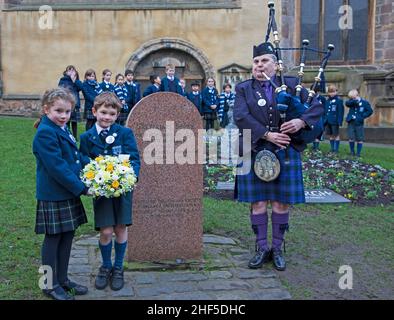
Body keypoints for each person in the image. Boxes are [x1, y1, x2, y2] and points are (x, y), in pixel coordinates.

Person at [233, 42, 324, 271]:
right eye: (255, 61)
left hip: (286, 151)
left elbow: (316, 107)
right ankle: (261, 247)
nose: (259, 65)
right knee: (258, 202)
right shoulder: (243, 89)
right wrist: (267, 134)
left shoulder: (293, 85)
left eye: (264, 61)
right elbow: (241, 117)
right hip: (255, 148)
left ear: (275, 64)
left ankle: (277, 248)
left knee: (282, 203)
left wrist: (301, 121)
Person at [33, 87, 91, 300]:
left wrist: (95, 167)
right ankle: (48, 284)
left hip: (67, 193)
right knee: (53, 239)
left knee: (67, 236)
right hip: (54, 194)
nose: (64, 116)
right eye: (59, 111)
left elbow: (74, 157)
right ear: (46, 109)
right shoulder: (45, 132)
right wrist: (82, 187)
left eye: (67, 112)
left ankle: (63, 280)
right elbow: (58, 167)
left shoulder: (62, 127)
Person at [80, 92, 140, 291]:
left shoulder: (125, 133)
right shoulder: (87, 137)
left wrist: (131, 177)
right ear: (94, 111)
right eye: (103, 112)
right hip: (102, 190)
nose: (107, 117)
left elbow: (134, 159)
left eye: (112, 114)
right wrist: (91, 175)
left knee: (121, 228)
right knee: (106, 230)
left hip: (122, 189)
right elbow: (83, 159)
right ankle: (105, 266)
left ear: (117, 115)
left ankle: (118, 267)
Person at [345, 89, 373, 157]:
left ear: (357, 95)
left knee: (359, 138)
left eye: (353, 97)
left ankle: (358, 153)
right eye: (351, 98)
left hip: (359, 122)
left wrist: (362, 116)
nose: (352, 99)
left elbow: (370, 111)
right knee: (351, 137)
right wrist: (354, 101)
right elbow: (347, 103)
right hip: (351, 122)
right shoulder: (351, 102)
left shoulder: (364, 102)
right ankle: (352, 152)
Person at [58, 65, 83, 139]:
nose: (71, 72)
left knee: (74, 122)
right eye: (69, 70)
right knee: (67, 121)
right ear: (66, 72)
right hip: (66, 103)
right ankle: (67, 135)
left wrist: (74, 80)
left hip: (75, 104)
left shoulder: (77, 81)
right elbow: (61, 89)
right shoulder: (63, 80)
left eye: (73, 70)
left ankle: (75, 136)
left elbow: (80, 88)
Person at [324, 85, 344, 153]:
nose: (332, 93)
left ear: (336, 92)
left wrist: (339, 121)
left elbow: (340, 112)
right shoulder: (327, 101)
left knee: (336, 135)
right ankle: (332, 148)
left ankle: (336, 149)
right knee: (330, 135)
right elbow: (325, 111)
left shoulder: (339, 101)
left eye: (333, 92)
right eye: (330, 92)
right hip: (328, 121)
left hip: (335, 121)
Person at [312, 86, 327, 151]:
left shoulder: (322, 98)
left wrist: (324, 118)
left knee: (319, 132)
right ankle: (314, 146)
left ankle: (316, 147)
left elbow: (325, 108)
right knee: (312, 132)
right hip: (312, 117)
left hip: (320, 117)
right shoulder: (310, 97)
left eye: (316, 92)